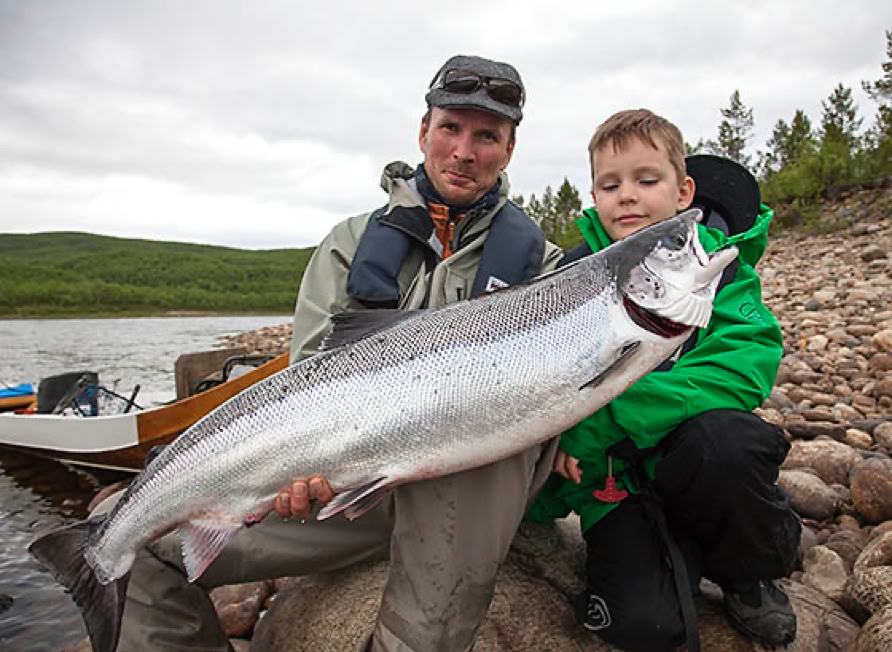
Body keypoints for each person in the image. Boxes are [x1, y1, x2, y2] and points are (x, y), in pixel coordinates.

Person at [96, 54, 562, 652]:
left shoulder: (543, 268)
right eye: (450, 128)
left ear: (510, 149)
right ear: (424, 131)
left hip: (465, 488)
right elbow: (307, 382)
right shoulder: (349, 245)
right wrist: (294, 473)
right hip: (348, 494)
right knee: (132, 553)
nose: (464, 152)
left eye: (487, 137)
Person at [526, 109, 801, 651]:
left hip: (696, 464)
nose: (627, 195)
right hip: (614, 486)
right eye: (611, 184)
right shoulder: (567, 285)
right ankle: (663, 561)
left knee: (728, 441)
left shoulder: (721, 273)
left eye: (646, 179)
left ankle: (751, 569)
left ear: (684, 192)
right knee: (646, 629)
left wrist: (598, 424)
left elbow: (738, 369)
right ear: (595, 197)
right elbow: (542, 389)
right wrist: (550, 453)